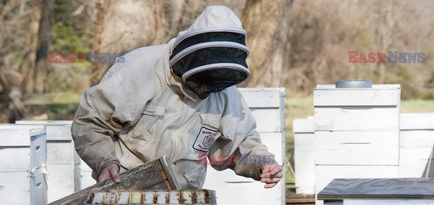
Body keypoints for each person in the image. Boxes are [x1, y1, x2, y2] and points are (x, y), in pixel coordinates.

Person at [71, 5, 283, 190]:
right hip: (125, 190)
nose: (206, 87)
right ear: (191, 58)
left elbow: (240, 144)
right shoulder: (140, 70)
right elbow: (91, 121)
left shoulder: (225, 93)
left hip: (182, 200)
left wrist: (262, 163)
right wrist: (104, 162)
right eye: (203, 78)